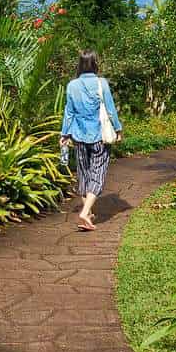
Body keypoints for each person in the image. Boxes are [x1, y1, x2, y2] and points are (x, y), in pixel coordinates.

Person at [60, 49, 122, 231]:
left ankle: (88, 215)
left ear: (79, 64)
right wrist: (117, 128)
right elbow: (110, 109)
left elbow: (69, 112)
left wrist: (64, 134)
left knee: (84, 175)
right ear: (95, 63)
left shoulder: (72, 85)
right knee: (98, 174)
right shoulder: (101, 83)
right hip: (99, 137)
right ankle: (85, 212)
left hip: (78, 136)